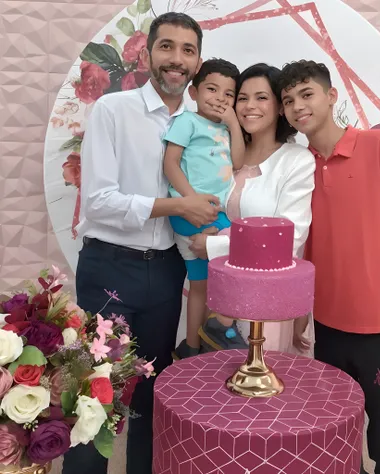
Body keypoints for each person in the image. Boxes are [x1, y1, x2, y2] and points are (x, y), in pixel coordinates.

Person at [63, 13, 218, 474]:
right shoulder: (114, 110)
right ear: (147, 53)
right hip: (109, 266)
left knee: (151, 398)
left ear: (198, 61)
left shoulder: (197, 126)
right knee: (96, 398)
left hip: (166, 272)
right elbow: (99, 201)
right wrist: (180, 207)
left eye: (188, 50)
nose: (177, 60)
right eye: (167, 47)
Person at [279, 60, 380, 474]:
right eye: (288, 101)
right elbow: (305, 248)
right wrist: (303, 313)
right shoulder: (300, 166)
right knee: (337, 444)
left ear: (331, 95)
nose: (297, 106)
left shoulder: (376, 144)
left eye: (307, 94)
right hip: (328, 326)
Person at [189, 63, 315, 357]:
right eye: (242, 98)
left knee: (257, 388)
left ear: (279, 107)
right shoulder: (222, 150)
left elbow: (290, 238)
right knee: (209, 382)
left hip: (264, 301)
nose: (249, 106)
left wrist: (213, 244)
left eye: (261, 97)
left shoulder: (296, 161)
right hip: (215, 290)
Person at [163, 58, 245, 360]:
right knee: (219, 273)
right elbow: (170, 164)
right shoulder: (187, 121)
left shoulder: (224, 128)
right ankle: (212, 335)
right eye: (212, 89)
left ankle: (196, 347)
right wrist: (189, 201)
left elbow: (237, 162)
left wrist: (234, 123)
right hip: (191, 212)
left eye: (228, 94)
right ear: (193, 92)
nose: (220, 99)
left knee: (204, 284)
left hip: (213, 213)